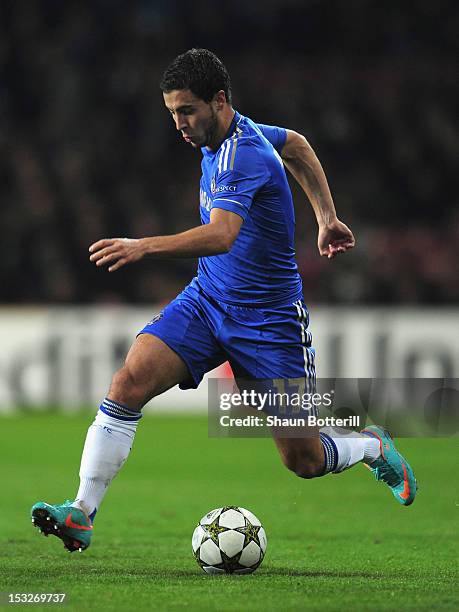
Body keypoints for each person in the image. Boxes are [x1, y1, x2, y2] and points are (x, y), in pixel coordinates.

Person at [31, 49, 416, 553]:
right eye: (171, 112)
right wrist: (326, 215)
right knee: (128, 382)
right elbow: (297, 144)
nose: (178, 124)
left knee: (303, 460)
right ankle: (81, 512)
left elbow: (221, 235)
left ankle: (369, 445)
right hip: (209, 300)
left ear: (219, 101)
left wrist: (142, 245)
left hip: (269, 321)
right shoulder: (240, 134)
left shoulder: (245, 154)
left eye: (186, 110)